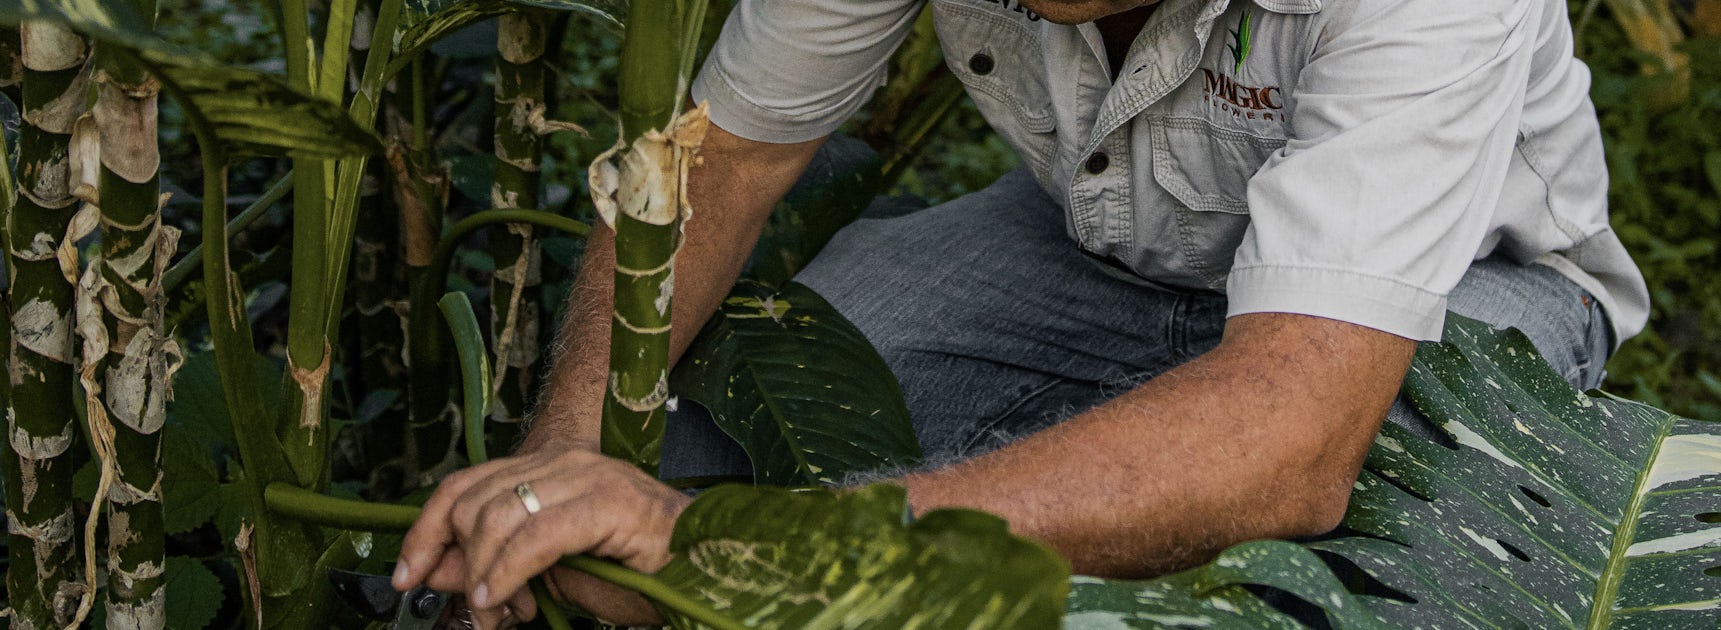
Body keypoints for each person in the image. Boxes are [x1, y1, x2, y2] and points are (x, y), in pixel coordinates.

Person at [393, 0, 1650, 625]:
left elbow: (1290, 433)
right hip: (1089, 253)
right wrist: (562, 459)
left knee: (1321, 561)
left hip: (1454, 296)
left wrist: (745, 548)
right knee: (695, 451)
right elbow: (715, 167)